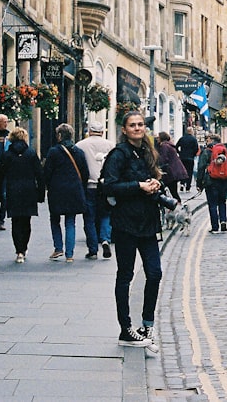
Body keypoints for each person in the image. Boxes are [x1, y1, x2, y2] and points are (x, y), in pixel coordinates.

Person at [102, 110, 165, 348]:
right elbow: (109, 186)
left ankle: (147, 324)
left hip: (148, 222)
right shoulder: (118, 154)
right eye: (132, 125)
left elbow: (153, 176)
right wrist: (138, 186)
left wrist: (155, 182)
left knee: (155, 273)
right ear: (124, 130)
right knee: (125, 276)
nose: (138, 128)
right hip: (126, 223)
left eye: (140, 124)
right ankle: (126, 329)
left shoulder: (147, 152)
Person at [0, 126, 44, 263]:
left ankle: (19, 250)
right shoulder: (31, 153)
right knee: (26, 221)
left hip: (13, 189)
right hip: (29, 190)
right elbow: (39, 174)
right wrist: (41, 194)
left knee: (16, 221)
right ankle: (24, 247)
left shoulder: (7, 155)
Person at [43, 123, 88, 263]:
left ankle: (58, 248)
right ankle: (70, 254)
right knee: (70, 222)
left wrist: (48, 186)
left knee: (55, 219)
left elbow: (47, 172)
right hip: (74, 190)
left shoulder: (53, 152)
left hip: (57, 190)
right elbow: (85, 173)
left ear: (59, 136)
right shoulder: (79, 152)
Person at [76, 121, 115, 260]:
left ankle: (92, 250)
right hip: (105, 186)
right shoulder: (111, 145)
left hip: (88, 187)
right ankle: (105, 239)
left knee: (89, 218)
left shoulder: (80, 145)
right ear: (102, 132)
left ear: (89, 131)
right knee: (106, 215)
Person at [196, 134, 227, 233]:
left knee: (212, 204)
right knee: (222, 202)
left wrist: (199, 183)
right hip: (224, 181)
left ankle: (215, 227)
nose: (206, 141)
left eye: (207, 139)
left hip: (211, 181)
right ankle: (223, 221)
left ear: (211, 140)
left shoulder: (207, 151)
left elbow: (200, 167)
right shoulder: (224, 150)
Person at [154, 131, 186, 203]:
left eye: (158, 138)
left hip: (170, 172)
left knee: (166, 190)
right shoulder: (169, 145)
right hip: (173, 171)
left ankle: (175, 205)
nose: (157, 139)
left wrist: (159, 167)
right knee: (173, 190)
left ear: (162, 138)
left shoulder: (164, 146)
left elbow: (163, 159)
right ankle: (177, 204)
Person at [176, 126, 199, 192]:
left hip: (182, 158)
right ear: (191, 131)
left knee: (183, 171)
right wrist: (193, 154)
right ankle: (188, 187)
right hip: (190, 158)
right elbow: (196, 148)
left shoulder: (182, 138)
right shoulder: (193, 139)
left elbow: (176, 146)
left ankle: (182, 183)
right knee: (189, 172)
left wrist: (179, 153)